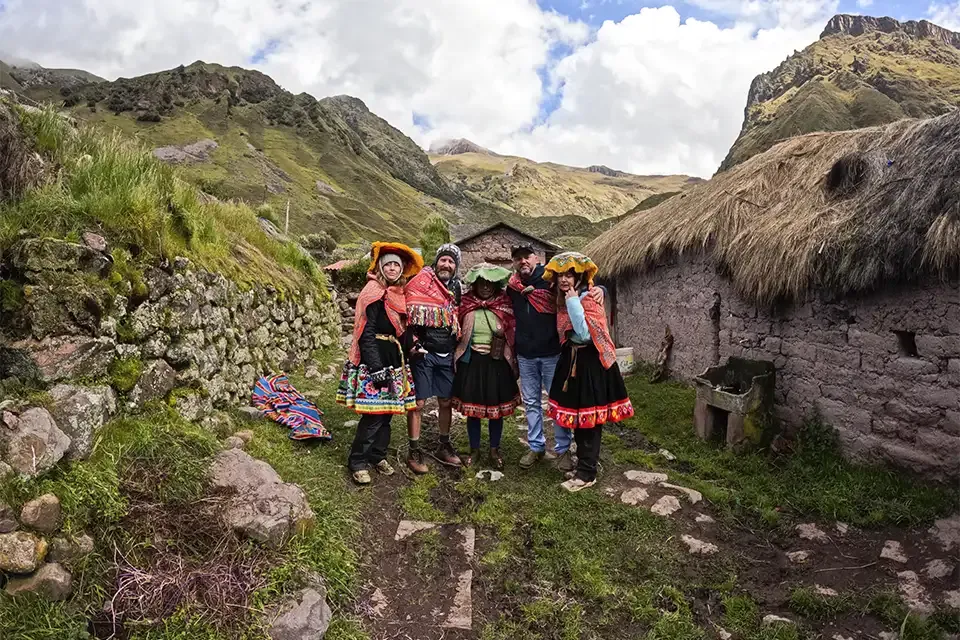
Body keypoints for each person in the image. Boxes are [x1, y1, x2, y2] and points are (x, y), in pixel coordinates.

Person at [543, 251, 634, 492]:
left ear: (580, 276)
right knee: (578, 417)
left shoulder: (588, 299)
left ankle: (587, 472)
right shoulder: (562, 299)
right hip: (573, 362)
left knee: (590, 420)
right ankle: (585, 464)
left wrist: (576, 301)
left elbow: (584, 334)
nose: (564, 279)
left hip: (591, 364)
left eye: (570, 275)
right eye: (560, 275)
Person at [507, 244, 604, 471]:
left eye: (527, 257)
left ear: (536, 258)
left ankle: (562, 450)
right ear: (514, 262)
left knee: (557, 403)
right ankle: (536, 446)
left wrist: (602, 290)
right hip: (526, 355)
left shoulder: (551, 280)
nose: (523, 261)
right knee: (531, 402)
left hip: (553, 354)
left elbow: (583, 288)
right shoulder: (512, 287)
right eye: (518, 258)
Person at [337, 242, 423, 485]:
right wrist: (375, 368)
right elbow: (367, 331)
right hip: (374, 361)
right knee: (373, 415)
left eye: (397, 264)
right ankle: (358, 461)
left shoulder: (398, 294)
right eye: (389, 264)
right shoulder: (372, 292)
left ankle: (378, 456)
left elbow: (401, 331)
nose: (394, 268)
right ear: (381, 268)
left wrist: (413, 347)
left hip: (394, 359)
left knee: (387, 415)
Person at [452, 263, 520, 470]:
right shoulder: (465, 304)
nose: (486, 287)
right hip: (472, 362)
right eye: (481, 283)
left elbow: (512, 329)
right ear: (475, 284)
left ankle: (494, 449)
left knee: (496, 410)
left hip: (496, 363)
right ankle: (475, 449)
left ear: (496, 285)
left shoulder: (504, 304)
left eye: (490, 283)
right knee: (473, 411)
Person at [404, 243, 464, 472]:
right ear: (436, 261)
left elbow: (457, 316)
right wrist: (414, 344)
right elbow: (406, 316)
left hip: (447, 353)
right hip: (424, 353)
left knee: (445, 401)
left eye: (451, 262)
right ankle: (414, 450)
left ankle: (443, 445)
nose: (446, 265)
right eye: (443, 260)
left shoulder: (456, 288)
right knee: (418, 404)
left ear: (455, 266)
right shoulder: (419, 282)